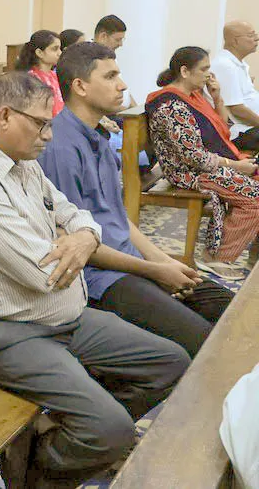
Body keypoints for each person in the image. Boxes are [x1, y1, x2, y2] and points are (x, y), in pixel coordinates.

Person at [0, 72, 190, 488]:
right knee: (111, 429)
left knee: (170, 362)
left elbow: (76, 215)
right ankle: (38, 475)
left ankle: (56, 440)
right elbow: (46, 274)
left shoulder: (22, 163)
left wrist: (83, 238)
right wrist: (74, 240)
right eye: (41, 123)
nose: (49, 136)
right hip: (8, 333)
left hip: (61, 318)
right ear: (4, 116)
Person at [39, 42, 233, 357]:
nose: (122, 85)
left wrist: (165, 261)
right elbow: (77, 246)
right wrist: (153, 271)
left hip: (131, 263)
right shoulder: (61, 148)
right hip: (100, 279)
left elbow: (118, 220)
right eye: (110, 76)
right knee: (203, 341)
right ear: (80, 87)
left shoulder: (98, 139)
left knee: (227, 308)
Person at [145, 46, 259, 280]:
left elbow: (223, 127)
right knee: (254, 196)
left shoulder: (193, 96)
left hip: (202, 166)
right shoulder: (171, 106)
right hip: (187, 173)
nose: (209, 74)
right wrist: (236, 166)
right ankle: (217, 258)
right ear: (184, 71)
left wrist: (217, 97)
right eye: (204, 69)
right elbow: (194, 157)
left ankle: (254, 256)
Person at [209, 20, 259, 150]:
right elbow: (236, 109)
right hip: (242, 131)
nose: (256, 38)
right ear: (235, 41)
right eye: (251, 35)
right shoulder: (226, 65)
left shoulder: (238, 64)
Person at [14, 29, 63, 116]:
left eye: (60, 48)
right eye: (55, 49)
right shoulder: (31, 78)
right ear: (40, 53)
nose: (60, 53)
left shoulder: (55, 75)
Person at [94, 14, 137, 109]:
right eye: (118, 40)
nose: (121, 44)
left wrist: (135, 110)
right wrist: (123, 112)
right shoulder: (89, 58)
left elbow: (123, 88)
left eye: (122, 39)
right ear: (103, 36)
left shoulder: (110, 54)